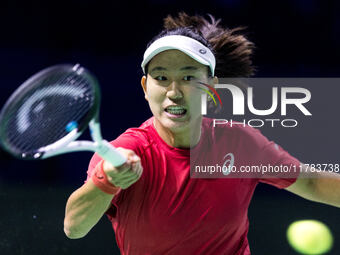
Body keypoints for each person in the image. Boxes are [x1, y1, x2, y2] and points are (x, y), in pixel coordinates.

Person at [63, 12, 340, 255]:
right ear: (146, 88)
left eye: (188, 77)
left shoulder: (241, 143)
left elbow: (312, 183)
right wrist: (106, 181)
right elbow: (73, 228)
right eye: (161, 78)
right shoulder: (127, 152)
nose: (173, 92)